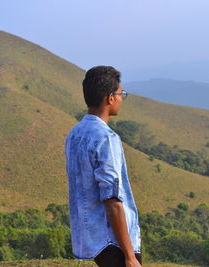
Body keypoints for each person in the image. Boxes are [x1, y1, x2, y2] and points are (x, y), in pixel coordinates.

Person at [65, 66, 142, 267]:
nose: (121, 98)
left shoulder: (74, 134)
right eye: (120, 94)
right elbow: (112, 200)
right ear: (109, 98)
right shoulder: (106, 138)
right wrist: (130, 256)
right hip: (114, 242)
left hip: (92, 240)